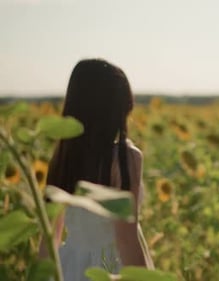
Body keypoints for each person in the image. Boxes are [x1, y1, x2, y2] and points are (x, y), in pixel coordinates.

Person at [40, 58, 154, 280]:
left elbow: (49, 237)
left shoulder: (63, 158)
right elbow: (126, 239)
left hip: (69, 266)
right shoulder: (124, 158)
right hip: (110, 267)